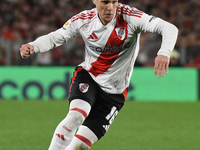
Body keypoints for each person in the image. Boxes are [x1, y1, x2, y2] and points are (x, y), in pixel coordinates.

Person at [19, 0, 178, 149]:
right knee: (75, 116)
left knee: (80, 146)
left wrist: (164, 52)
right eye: (105, 2)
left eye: (114, 2)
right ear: (95, 1)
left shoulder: (129, 16)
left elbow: (169, 28)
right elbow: (55, 37)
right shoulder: (83, 20)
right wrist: (33, 46)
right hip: (89, 77)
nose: (110, 7)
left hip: (114, 93)